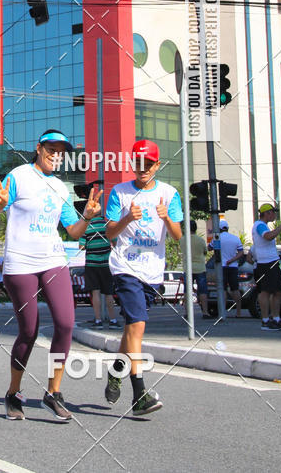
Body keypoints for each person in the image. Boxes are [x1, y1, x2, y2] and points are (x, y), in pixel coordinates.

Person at [0, 128, 103, 423]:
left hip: (53, 259)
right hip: (20, 263)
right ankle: (13, 392)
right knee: (28, 331)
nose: (55, 155)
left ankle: (53, 393)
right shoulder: (18, 176)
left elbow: (73, 231)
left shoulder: (61, 188)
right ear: (39, 148)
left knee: (65, 323)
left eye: (61, 151)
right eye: (51, 149)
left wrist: (87, 216)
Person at [104, 139, 182, 416]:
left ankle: (116, 371)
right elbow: (111, 232)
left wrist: (166, 219)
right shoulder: (120, 192)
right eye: (138, 163)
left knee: (131, 329)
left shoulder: (170, 194)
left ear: (156, 165)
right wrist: (127, 218)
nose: (142, 169)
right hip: (125, 267)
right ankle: (140, 394)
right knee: (137, 325)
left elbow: (177, 235)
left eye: (148, 164)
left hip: (153, 271)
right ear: (131, 164)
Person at [79, 194, 119, 329]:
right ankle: (113, 320)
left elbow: (81, 246)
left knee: (95, 292)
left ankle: (98, 320)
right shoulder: (107, 225)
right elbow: (115, 242)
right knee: (109, 293)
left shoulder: (86, 227)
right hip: (106, 264)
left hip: (91, 264)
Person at [252, 202, 281, 330]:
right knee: (266, 291)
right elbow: (268, 237)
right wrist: (280, 228)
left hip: (271, 262)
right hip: (265, 263)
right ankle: (265, 320)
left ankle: (276, 318)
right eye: (273, 212)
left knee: (277, 291)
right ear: (267, 213)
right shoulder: (260, 225)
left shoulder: (263, 225)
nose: (274, 215)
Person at [179, 219, 210, 318]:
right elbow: (205, 252)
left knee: (187, 291)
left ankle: (187, 313)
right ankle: (205, 312)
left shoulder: (183, 240)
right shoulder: (201, 240)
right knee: (203, 291)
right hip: (200, 268)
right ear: (196, 228)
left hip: (188, 268)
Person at [214, 220, 245, 317]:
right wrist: (232, 260)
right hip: (233, 266)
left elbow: (210, 248)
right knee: (235, 289)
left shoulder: (217, 238)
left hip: (221, 267)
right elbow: (241, 253)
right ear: (227, 228)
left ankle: (222, 311)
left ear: (219, 229)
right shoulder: (235, 239)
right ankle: (238, 312)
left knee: (222, 289)